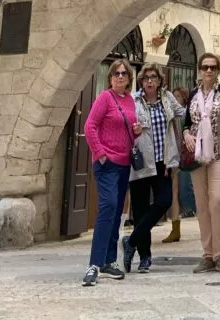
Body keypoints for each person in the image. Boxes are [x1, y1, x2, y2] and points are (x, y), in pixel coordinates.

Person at [82, 59, 142, 287]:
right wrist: (100, 153)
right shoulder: (105, 98)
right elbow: (90, 126)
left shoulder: (129, 101)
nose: (120, 76)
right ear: (110, 77)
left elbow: (127, 132)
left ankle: (108, 260)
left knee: (117, 211)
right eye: (116, 73)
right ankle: (94, 264)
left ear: (128, 78)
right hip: (107, 163)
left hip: (124, 163)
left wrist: (135, 132)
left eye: (124, 73)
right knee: (107, 207)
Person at [182, 53, 220, 274]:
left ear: (218, 71)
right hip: (196, 155)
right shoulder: (192, 94)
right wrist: (186, 133)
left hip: (219, 153)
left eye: (213, 67)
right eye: (205, 67)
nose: (209, 71)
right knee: (201, 204)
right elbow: (186, 122)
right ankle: (207, 255)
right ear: (199, 70)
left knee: (216, 200)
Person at [122, 64, 186, 273]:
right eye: (146, 78)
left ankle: (130, 241)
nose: (150, 81)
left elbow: (184, 112)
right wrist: (133, 129)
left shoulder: (167, 99)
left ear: (159, 81)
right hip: (141, 161)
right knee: (140, 210)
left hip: (163, 162)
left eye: (154, 78)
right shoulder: (133, 100)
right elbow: (123, 123)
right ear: (141, 81)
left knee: (164, 200)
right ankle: (145, 258)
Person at [162, 87, 191, 244]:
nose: (175, 98)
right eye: (174, 95)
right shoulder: (173, 114)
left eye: (178, 96)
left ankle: (175, 229)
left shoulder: (182, 115)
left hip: (180, 158)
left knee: (175, 193)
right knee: (173, 193)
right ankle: (175, 228)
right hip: (175, 158)